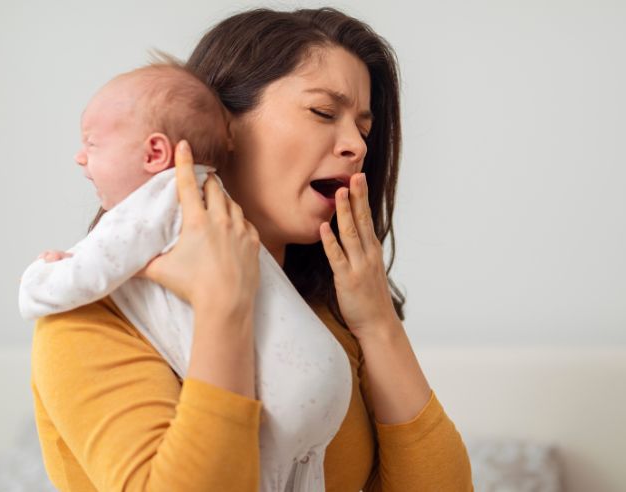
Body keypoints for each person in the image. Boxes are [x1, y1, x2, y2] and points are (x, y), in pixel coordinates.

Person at [31, 7, 474, 491]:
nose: (356, 146)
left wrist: (377, 323)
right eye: (323, 112)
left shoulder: (331, 318)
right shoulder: (93, 318)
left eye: (363, 130)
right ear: (225, 124)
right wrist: (224, 307)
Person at [19, 61, 353, 491]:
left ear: (155, 153)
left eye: (92, 143)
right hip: (318, 384)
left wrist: (44, 274)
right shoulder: (203, 202)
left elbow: (92, 269)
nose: (357, 145)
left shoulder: (156, 201)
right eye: (324, 112)